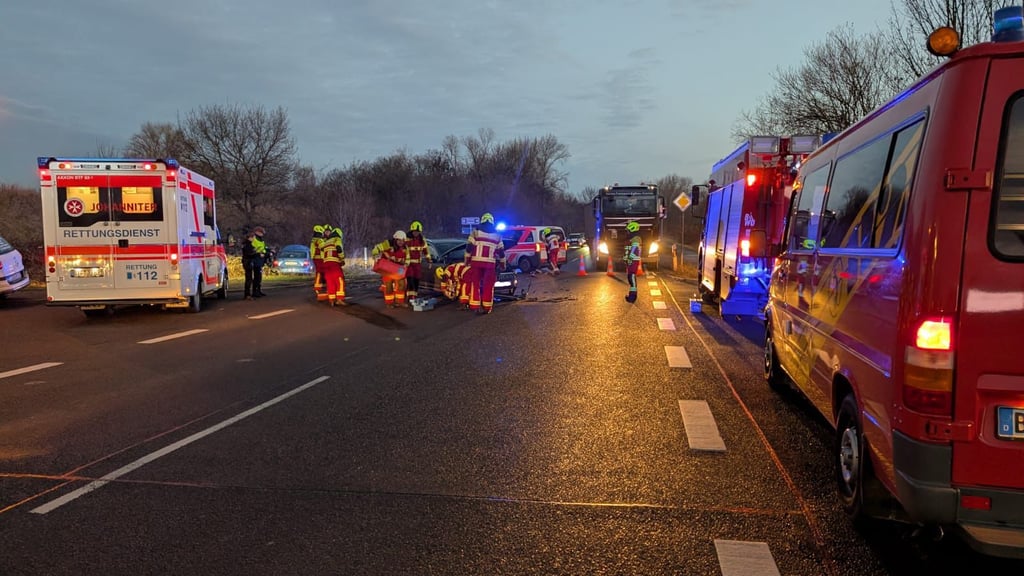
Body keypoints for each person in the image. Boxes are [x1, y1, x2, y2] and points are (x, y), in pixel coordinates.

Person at [463, 212, 506, 314]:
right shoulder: (497, 235)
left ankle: (475, 306)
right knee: (488, 285)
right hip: (490, 265)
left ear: (482, 220)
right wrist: (503, 265)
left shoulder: (475, 232)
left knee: (475, 284)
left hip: (476, 263)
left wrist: (466, 261)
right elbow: (501, 253)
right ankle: (486, 307)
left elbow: (469, 248)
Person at [376, 230, 409, 308]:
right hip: (388, 268)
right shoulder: (388, 245)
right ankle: (389, 303)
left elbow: (408, 258)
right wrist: (375, 254)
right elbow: (378, 249)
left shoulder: (405, 248)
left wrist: (406, 264)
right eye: (399, 240)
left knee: (402, 285)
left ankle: (400, 301)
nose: (401, 242)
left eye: (403, 240)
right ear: (395, 240)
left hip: (399, 268)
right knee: (388, 285)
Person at [321, 225, 346, 306]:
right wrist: (342, 259)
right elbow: (339, 248)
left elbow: (323, 253)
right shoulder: (337, 239)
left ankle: (332, 300)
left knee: (330, 281)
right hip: (334, 263)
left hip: (326, 264)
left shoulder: (326, 241)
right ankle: (340, 299)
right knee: (340, 280)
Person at [405, 220, 430, 301]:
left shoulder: (422, 240)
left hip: (417, 264)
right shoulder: (406, 239)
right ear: (412, 230)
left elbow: (426, 250)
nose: (416, 233)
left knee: (416, 280)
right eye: (415, 231)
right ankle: (409, 297)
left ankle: (414, 296)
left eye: (418, 231)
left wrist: (429, 259)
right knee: (410, 279)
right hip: (408, 264)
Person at [242, 226, 268, 299]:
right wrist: (257, 253)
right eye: (253, 237)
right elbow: (249, 253)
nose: (254, 239)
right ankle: (248, 294)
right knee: (250, 278)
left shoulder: (249, 243)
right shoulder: (248, 244)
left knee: (255, 277)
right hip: (249, 262)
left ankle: (253, 292)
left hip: (252, 261)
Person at [623, 221, 642, 303]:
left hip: (633, 260)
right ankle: (631, 295)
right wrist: (626, 257)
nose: (627, 232)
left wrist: (630, 257)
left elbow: (634, 248)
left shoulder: (636, 238)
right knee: (630, 277)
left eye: (628, 230)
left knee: (632, 277)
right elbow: (629, 249)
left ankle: (633, 296)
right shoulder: (633, 238)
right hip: (631, 260)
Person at [310, 224, 327, 300]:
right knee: (320, 272)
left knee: (319, 272)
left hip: (316, 258)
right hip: (319, 258)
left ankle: (319, 287)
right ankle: (319, 288)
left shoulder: (313, 240)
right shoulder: (319, 240)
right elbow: (323, 247)